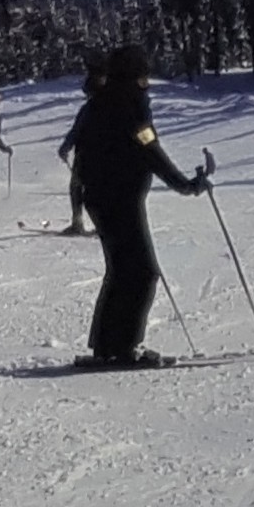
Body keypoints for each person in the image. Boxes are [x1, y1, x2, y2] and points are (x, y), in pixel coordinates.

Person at [74, 43, 205, 366]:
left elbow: (84, 154)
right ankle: (123, 348)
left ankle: (106, 348)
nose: (147, 84)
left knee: (120, 272)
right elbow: (151, 150)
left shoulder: (97, 105)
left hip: (100, 199)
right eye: (144, 77)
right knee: (142, 273)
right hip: (120, 199)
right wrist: (185, 185)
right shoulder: (129, 106)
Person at [56, 62, 107, 235]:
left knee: (77, 188)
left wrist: (65, 147)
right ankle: (103, 224)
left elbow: (76, 130)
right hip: (103, 156)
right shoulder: (111, 108)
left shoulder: (88, 109)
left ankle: (79, 223)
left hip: (85, 155)